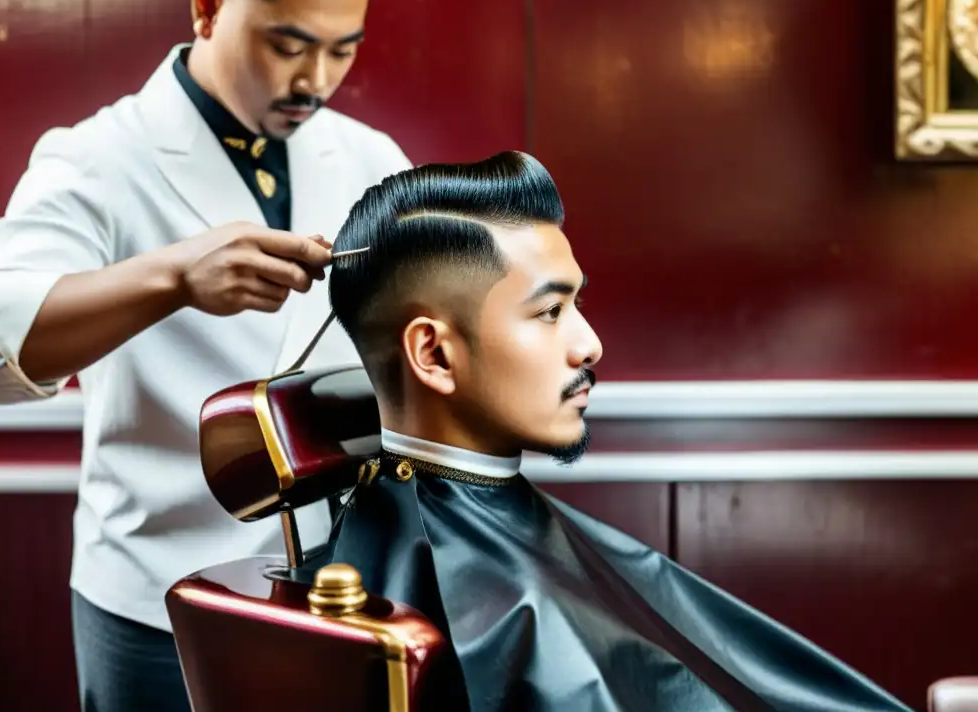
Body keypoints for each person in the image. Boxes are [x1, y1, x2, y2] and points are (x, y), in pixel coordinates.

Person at [0, 0, 410, 710]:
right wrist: (172, 276)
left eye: (343, 49)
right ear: (207, 8)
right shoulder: (97, 157)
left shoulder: (371, 158)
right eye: (288, 44)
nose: (317, 81)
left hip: (339, 591)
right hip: (155, 601)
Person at [321, 151, 912, 711]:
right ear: (434, 355)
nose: (590, 344)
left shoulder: (428, 525)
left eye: (576, 305)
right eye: (550, 312)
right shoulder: (486, 603)